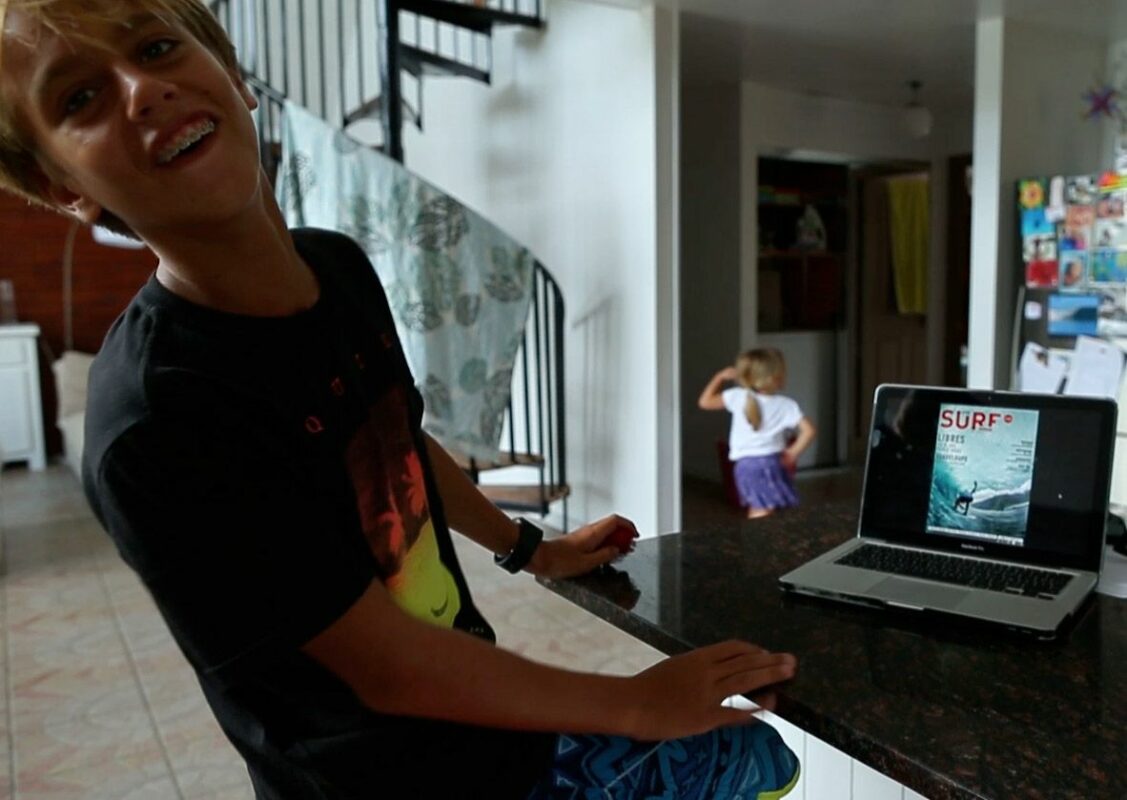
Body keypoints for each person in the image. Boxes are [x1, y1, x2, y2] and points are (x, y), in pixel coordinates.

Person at [0, 1, 801, 797]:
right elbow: (384, 667)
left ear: (235, 77)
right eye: (80, 97)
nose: (142, 89)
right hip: (384, 786)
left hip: (488, 735)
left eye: (155, 48)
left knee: (760, 757)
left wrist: (531, 549)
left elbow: (397, 442)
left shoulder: (337, 268)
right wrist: (633, 703)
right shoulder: (156, 419)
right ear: (61, 184)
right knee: (753, 763)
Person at [699, 348, 816, 519]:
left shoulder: (737, 397)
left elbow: (705, 402)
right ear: (776, 378)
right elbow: (809, 430)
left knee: (760, 509)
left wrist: (720, 377)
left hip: (745, 466)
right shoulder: (786, 405)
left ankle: (764, 536)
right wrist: (792, 453)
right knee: (770, 511)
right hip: (771, 464)